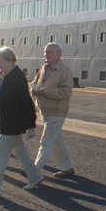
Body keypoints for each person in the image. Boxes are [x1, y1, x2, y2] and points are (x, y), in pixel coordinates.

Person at [0, 47, 43, 199]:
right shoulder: (4, 74)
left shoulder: (16, 77)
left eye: (0, 62)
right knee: (21, 152)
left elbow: (26, 102)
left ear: (10, 61)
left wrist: (30, 125)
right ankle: (35, 177)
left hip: (12, 124)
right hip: (6, 122)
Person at [31, 43, 75, 178]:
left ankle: (33, 171)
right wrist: (33, 88)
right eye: (45, 52)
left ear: (59, 54)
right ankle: (67, 167)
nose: (46, 55)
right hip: (45, 110)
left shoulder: (64, 71)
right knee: (56, 140)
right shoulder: (44, 67)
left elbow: (66, 92)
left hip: (57, 111)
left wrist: (45, 91)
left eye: (49, 52)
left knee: (46, 141)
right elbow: (35, 82)